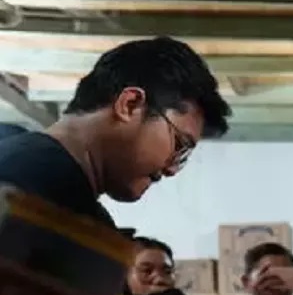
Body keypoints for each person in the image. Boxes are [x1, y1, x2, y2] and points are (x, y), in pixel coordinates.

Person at [0, 37, 230, 227]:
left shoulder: (20, 159)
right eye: (179, 146)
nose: (171, 170)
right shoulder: (40, 193)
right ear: (130, 105)